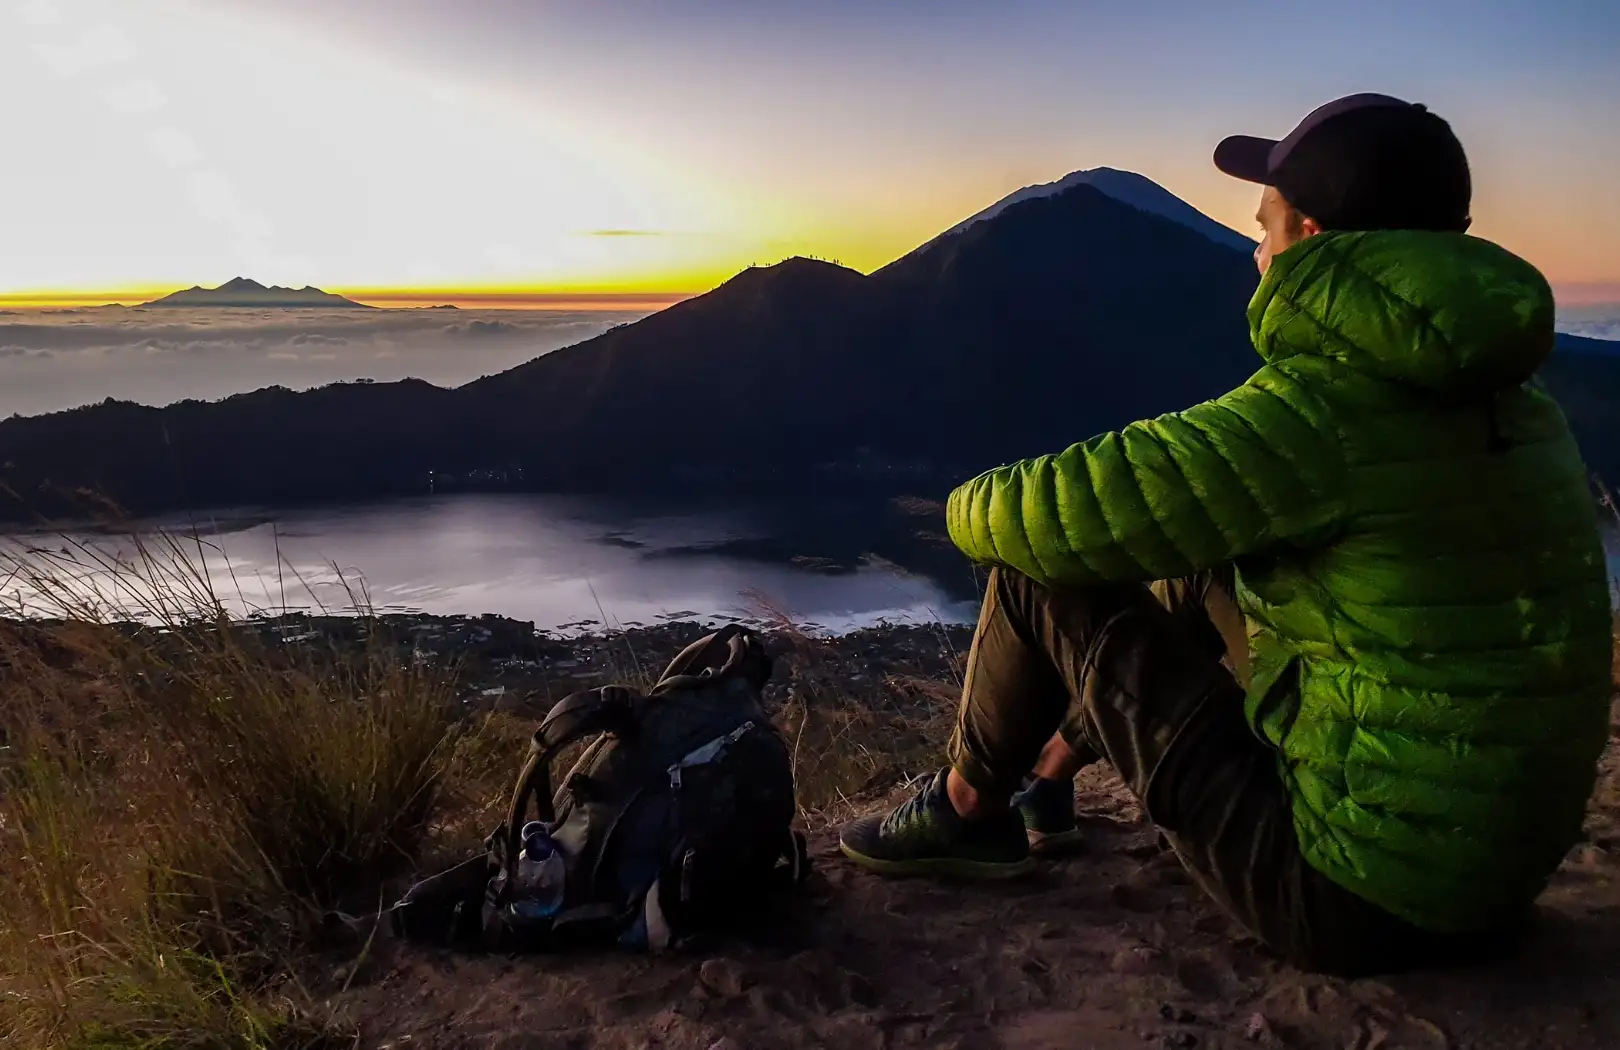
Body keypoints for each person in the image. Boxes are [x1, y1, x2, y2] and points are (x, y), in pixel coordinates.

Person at [838, 93, 1614, 977]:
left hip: (1353, 900)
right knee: (1212, 560)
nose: (1254, 249)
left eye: (1265, 225)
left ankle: (966, 811)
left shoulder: (1322, 411)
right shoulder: (1525, 406)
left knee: (1035, 569)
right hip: (1493, 880)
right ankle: (1049, 781)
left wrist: (952, 510)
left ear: (1313, 239)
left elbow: (1050, 510)